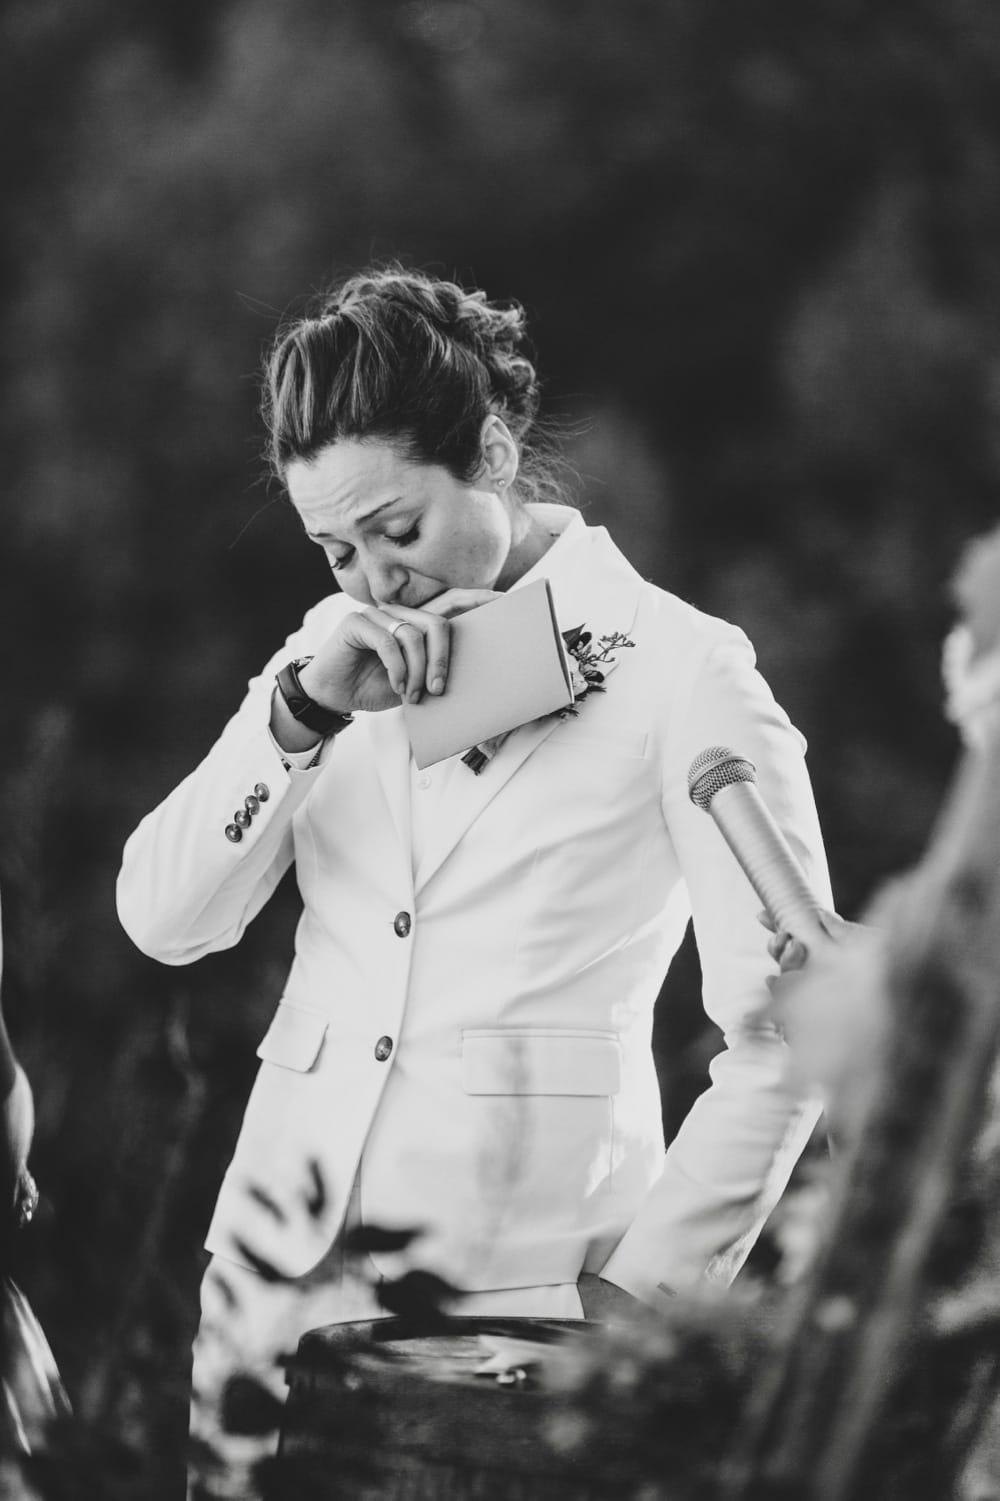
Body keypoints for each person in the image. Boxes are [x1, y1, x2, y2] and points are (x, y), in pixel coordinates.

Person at [115, 267, 834, 1493]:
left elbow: (789, 1031)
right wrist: (293, 717)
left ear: (493, 451)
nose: (372, 580)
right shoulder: (324, 655)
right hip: (267, 1305)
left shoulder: (686, 671)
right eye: (333, 548)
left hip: (516, 1327)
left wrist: (636, 1305)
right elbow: (162, 918)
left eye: (396, 532)